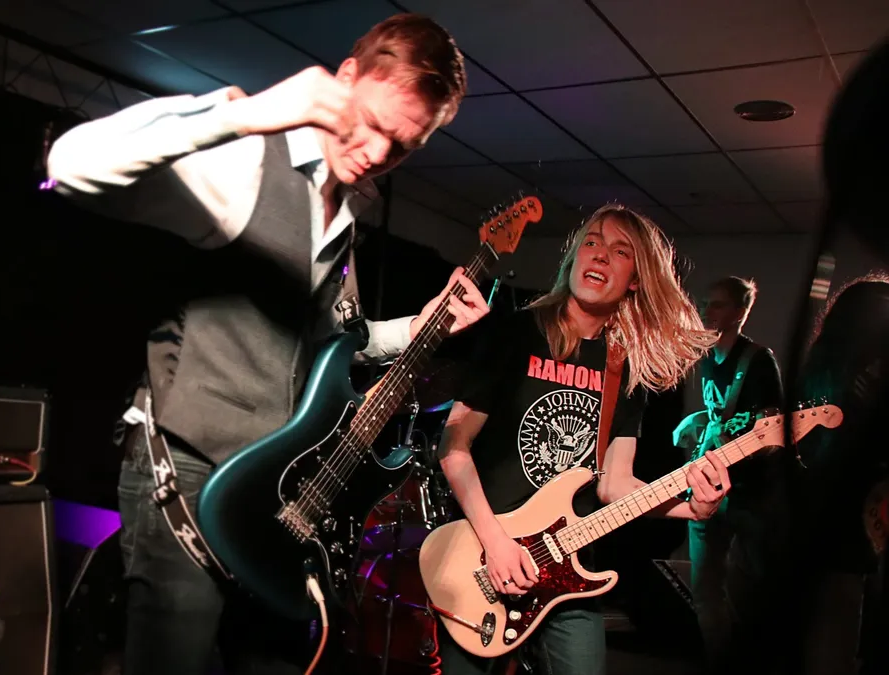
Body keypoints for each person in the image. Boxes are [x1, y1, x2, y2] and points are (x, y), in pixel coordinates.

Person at [46, 13, 490, 675]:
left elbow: (337, 344)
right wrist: (241, 113)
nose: (375, 152)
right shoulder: (249, 159)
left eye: (399, 146)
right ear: (346, 77)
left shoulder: (343, 212)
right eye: (370, 122)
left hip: (269, 486)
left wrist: (423, 326)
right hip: (189, 470)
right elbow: (69, 165)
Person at [437, 204, 727, 675]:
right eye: (591, 242)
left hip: (567, 571)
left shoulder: (623, 367)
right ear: (574, 258)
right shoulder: (516, 334)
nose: (600, 255)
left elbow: (615, 485)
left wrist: (691, 507)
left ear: (636, 280)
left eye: (620, 251)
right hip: (482, 555)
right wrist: (496, 542)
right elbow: (453, 448)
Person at [671, 276, 788, 675]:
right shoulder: (707, 359)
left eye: (718, 305)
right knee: (705, 593)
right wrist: (698, 422)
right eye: (705, 302)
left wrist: (737, 440)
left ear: (740, 313)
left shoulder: (758, 361)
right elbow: (722, 414)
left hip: (749, 496)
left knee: (747, 593)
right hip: (708, 488)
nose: (707, 311)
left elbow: (772, 428)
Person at [790, 274, 889, 675]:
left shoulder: (825, 369)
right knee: (833, 643)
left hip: (833, 528)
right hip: (845, 530)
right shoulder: (850, 377)